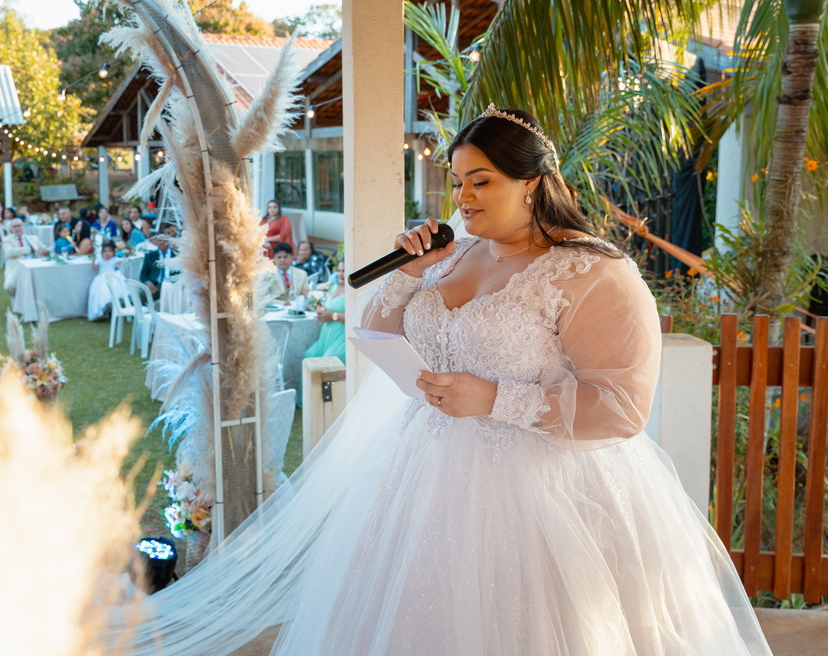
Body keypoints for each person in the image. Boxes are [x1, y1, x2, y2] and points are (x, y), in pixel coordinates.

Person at [107, 105, 767, 656]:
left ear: (532, 182)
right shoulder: (458, 255)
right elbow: (379, 329)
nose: (463, 198)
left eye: (481, 182)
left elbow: (622, 409)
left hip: (540, 496)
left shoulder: (597, 273)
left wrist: (492, 398)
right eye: (457, 184)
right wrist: (414, 268)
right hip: (421, 474)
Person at [303, 259, 346, 362]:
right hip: (326, 335)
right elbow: (327, 307)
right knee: (309, 355)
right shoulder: (334, 286)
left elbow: (356, 317)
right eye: (339, 271)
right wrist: (320, 311)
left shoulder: (353, 292)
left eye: (344, 271)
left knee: (326, 361)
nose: (340, 274)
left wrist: (332, 316)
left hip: (341, 336)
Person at [2, 218, 48, 296]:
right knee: (9, 285)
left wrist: (44, 251)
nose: (17, 228)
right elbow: (9, 252)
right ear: (11, 229)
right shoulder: (7, 240)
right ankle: (20, 300)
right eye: (15, 226)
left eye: (19, 226)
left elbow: (46, 249)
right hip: (16, 268)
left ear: (23, 226)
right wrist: (29, 249)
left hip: (34, 267)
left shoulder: (33, 238)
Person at [87, 240, 125, 320]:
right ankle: (102, 311)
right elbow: (95, 268)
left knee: (112, 291)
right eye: (105, 251)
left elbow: (123, 261)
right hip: (101, 278)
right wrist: (93, 262)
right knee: (100, 294)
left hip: (112, 277)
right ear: (102, 252)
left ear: (113, 251)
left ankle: (113, 310)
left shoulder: (114, 259)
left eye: (110, 251)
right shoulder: (100, 260)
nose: (107, 253)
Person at [139, 233, 174, 299]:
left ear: (169, 241)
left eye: (165, 240)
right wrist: (148, 283)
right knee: (142, 295)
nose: (162, 242)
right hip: (157, 285)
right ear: (156, 242)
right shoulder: (150, 256)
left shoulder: (176, 255)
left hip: (173, 285)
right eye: (159, 240)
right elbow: (143, 274)